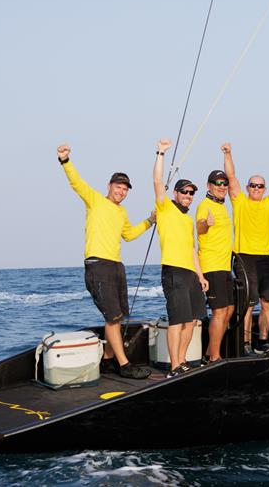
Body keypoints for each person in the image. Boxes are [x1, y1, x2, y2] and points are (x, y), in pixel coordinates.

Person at [57, 144, 153, 379]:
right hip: (98, 265)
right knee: (112, 318)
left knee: (118, 316)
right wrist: (65, 160)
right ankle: (124, 365)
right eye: (118, 186)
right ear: (109, 186)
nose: (121, 191)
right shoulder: (95, 200)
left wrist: (150, 220)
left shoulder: (122, 213)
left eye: (125, 189)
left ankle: (108, 359)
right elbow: (76, 183)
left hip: (116, 266)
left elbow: (128, 235)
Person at [223, 143, 269, 355]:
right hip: (244, 258)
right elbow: (231, 177)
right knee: (248, 304)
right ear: (247, 187)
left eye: (260, 186)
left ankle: (262, 341)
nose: (256, 189)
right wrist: (228, 153)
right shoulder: (240, 202)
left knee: (268, 302)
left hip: (264, 259)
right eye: (253, 185)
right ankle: (245, 344)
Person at [153, 139, 209, 377]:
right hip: (173, 271)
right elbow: (157, 181)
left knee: (192, 320)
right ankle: (174, 365)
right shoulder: (165, 208)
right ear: (175, 193)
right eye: (184, 191)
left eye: (191, 192)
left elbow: (193, 250)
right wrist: (161, 153)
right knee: (177, 320)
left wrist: (201, 275)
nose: (188, 195)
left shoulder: (188, 220)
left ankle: (183, 360)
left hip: (190, 273)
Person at [196, 169, 235, 364]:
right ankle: (214, 357)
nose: (222, 187)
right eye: (217, 183)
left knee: (229, 309)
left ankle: (208, 353)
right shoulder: (205, 204)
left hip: (225, 266)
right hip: (212, 266)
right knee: (219, 311)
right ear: (208, 186)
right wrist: (207, 224)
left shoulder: (222, 207)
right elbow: (200, 226)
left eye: (224, 183)